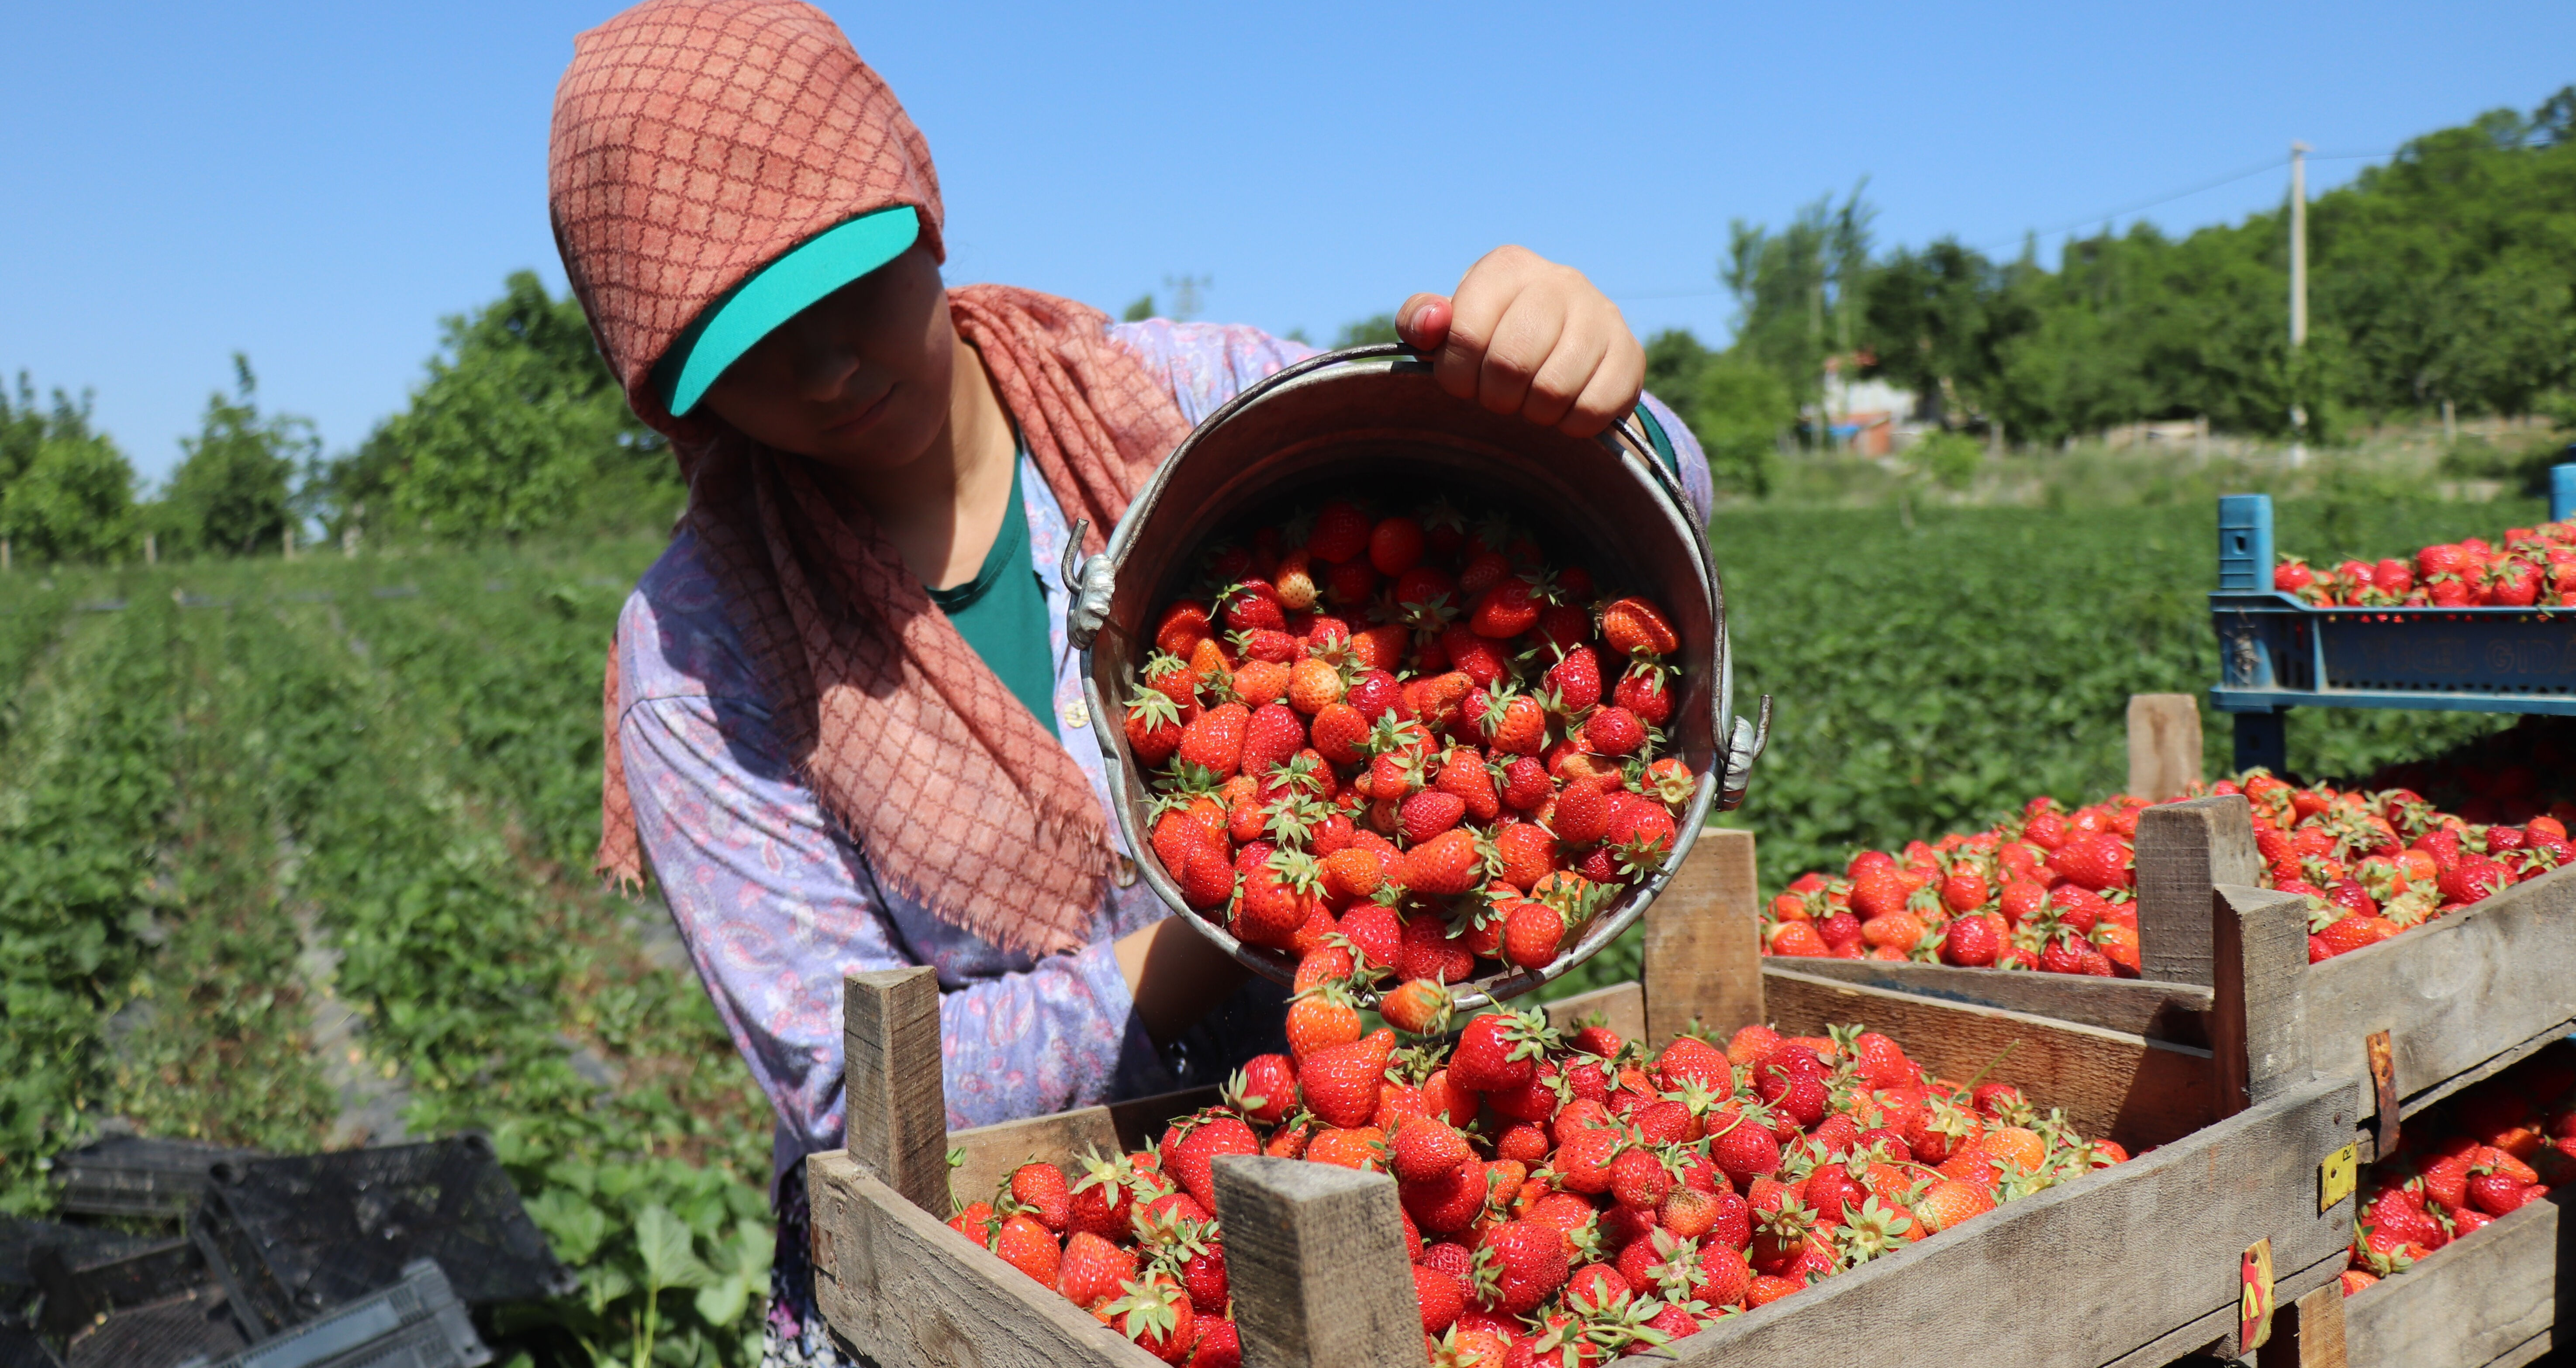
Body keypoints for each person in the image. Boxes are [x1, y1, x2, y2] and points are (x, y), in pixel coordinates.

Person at [546, 1, 1712, 1361]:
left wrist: (1580, 380)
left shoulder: (1184, 398)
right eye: (747, 346)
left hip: (1396, 1191)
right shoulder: (700, 651)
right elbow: (847, 1089)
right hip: (1003, 1280)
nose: (827, 366)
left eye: (843, 282)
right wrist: (1218, 936)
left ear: (916, 212)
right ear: (673, 390)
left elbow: (1628, 526)